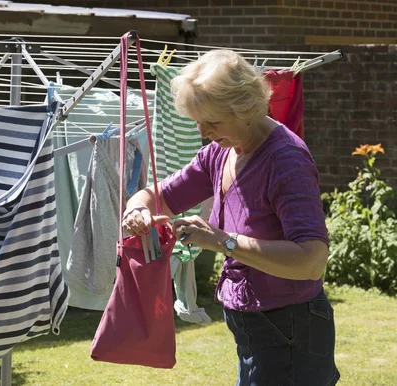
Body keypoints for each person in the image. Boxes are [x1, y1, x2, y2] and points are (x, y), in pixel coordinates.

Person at [122, 50, 340, 386]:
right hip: (255, 324)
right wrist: (137, 209)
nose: (203, 132)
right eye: (198, 121)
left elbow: (311, 260)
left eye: (212, 122)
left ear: (245, 109)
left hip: (291, 327)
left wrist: (222, 241)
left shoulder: (286, 161)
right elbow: (159, 196)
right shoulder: (222, 150)